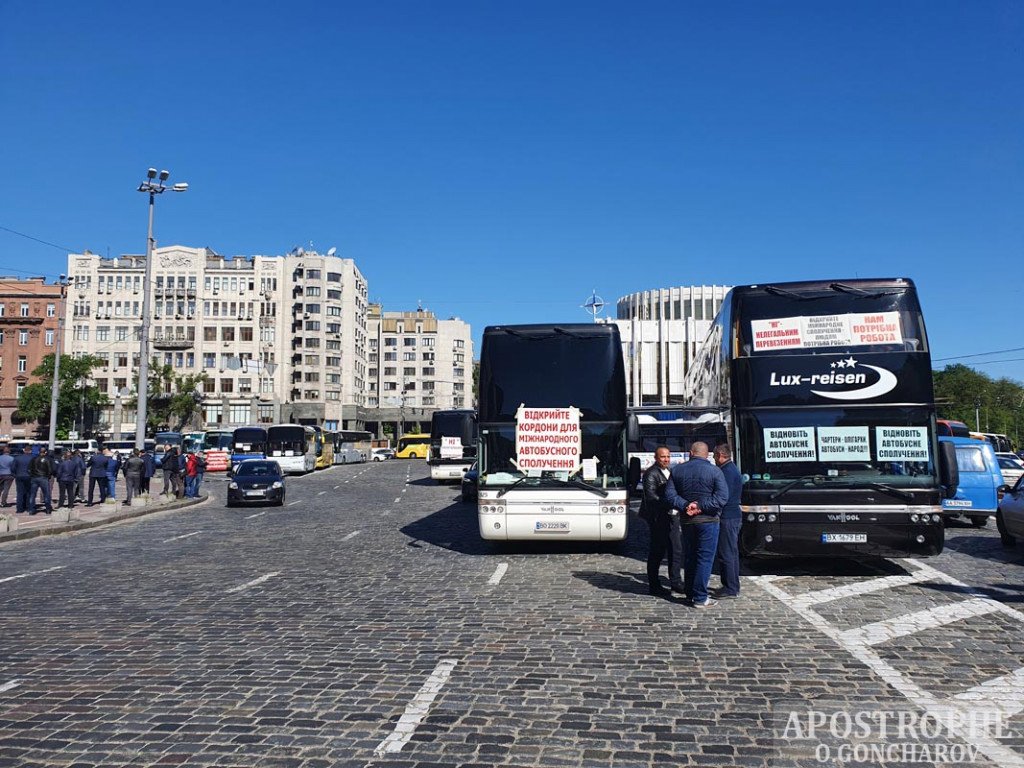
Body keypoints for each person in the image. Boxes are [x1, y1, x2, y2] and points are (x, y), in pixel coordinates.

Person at [664, 441, 729, 608]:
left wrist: (686, 505)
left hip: (687, 520)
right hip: (708, 520)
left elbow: (669, 495)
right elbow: (722, 498)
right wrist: (700, 506)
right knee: (704, 559)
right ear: (707, 455)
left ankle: (690, 593)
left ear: (691, 453)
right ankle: (700, 597)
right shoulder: (715, 471)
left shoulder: (677, 470)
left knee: (690, 557)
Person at [640, 446, 683, 597]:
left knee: (675, 549)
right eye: (663, 457)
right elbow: (651, 497)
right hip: (658, 517)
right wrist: (670, 503)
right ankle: (654, 584)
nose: (666, 460)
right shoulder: (651, 473)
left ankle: (676, 581)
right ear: (656, 458)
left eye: (668, 457)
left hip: (670, 516)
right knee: (657, 551)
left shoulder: (670, 471)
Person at [712, 444, 743, 599]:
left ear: (720, 455)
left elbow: (723, 496)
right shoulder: (730, 469)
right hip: (732, 516)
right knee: (731, 552)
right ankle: (732, 585)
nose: (713, 459)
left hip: (728, 517)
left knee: (726, 553)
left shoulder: (726, 472)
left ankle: (730, 587)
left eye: (714, 456)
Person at [28, 446, 56, 514]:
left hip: (35, 478)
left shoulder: (34, 459)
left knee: (33, 494)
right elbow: (50, 470)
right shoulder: (47, 460)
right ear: (45, 452)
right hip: (43, 478)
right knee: (46, 494)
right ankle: (48, 509)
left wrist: (32, 475)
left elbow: (29, 469)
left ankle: (31, 509)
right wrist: (48, 476)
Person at [12, 446, 34, 514]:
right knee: (29, 493)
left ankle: (19, 508)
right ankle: (29, 507)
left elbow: (13, 468)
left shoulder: (17, 458)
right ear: (30, 451)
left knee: (20, 493)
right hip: (29, 476)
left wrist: (15, 474)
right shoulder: (33, 458)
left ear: (24, 450)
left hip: (19, 476)